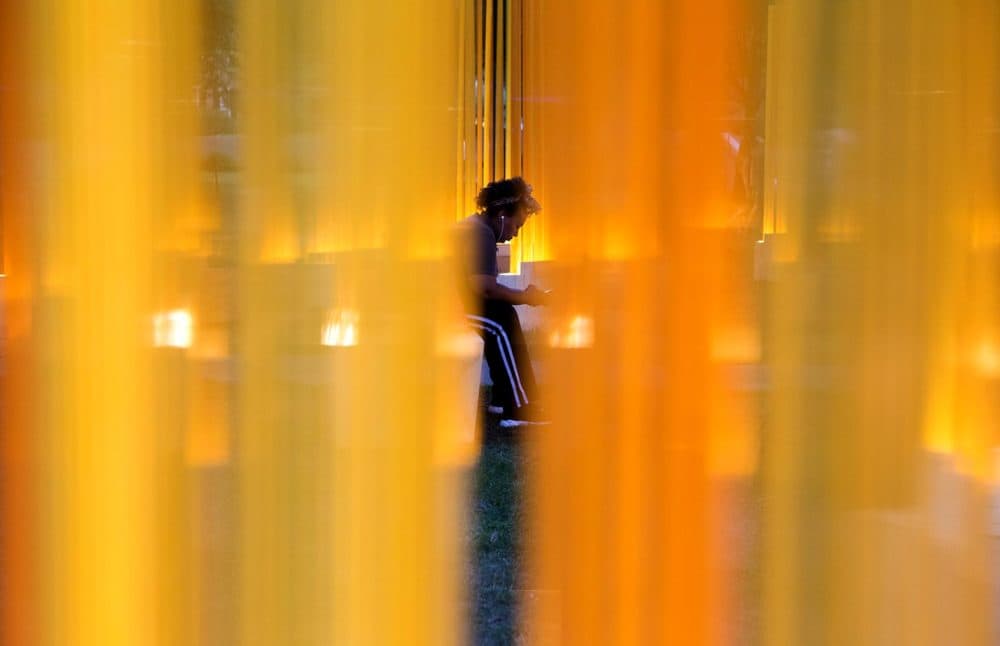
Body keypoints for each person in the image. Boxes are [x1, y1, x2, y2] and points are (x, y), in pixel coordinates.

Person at [457, 177, 549, 427]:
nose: (514, 234)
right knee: (499, 324)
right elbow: (485, 288)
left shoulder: (479, 227)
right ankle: (518, 410)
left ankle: (504, 397)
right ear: (501, 214)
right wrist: (529, 298)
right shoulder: (480, 233)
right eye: (516, 226)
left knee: (503, 315)